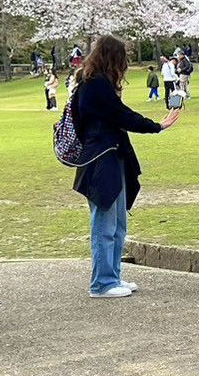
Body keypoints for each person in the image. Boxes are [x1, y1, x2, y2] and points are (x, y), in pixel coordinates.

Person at [71, 35, 181, 298]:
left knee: (118, 222)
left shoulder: (96, 85)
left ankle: (113, 275)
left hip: (112, 156)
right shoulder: (95, 85)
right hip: (101, 160)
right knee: (105, 222)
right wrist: (157, 126)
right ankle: (102, 283)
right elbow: (121, 115)